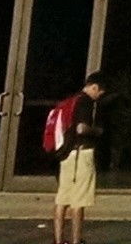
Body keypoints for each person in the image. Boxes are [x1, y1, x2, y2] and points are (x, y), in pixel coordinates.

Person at [48, 74, 107, 244]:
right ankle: (76, 240)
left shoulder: (71, 101)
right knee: (78, 200)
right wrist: (97, 131)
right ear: (94, 87)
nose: (99, 96)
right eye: (100, 92)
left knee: (62, 199)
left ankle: (58, 240)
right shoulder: (86, 102)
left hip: (67, 155)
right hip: (82, 154)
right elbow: (81, 128)